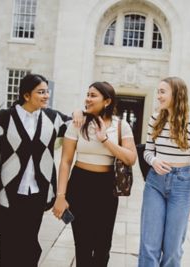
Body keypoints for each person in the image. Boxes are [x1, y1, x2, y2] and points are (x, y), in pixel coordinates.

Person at [0, 73, 82, 267]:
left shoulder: (52, 118)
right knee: (8, 245)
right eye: (41, 92)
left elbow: (77, 124)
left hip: (37, 193)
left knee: (31, 244)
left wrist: (78, 112)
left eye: (47, 91)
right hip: (8, 193)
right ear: (26, 95)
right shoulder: (5, 117)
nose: (46, 95)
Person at [52, 81, 137, 267]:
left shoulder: (121, 126)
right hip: (80, 184)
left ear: (107, 101)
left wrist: (105, 139)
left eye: (93, 95)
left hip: (106, 188)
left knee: (102, 246)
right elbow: (65, 161)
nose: (87, 99)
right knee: (82, 245)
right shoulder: (78, 123)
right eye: (87, 94)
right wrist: (60, 196)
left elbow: (131, 158)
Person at [139, 76, 190, 267]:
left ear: (177, 94)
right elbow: (147, 151)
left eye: (162, 92)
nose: (158, 96)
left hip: (182, 185)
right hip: (155, 183)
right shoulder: (155, 118)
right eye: (157, 92)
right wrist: (154, 160)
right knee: (148, 245)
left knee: (173, 249)